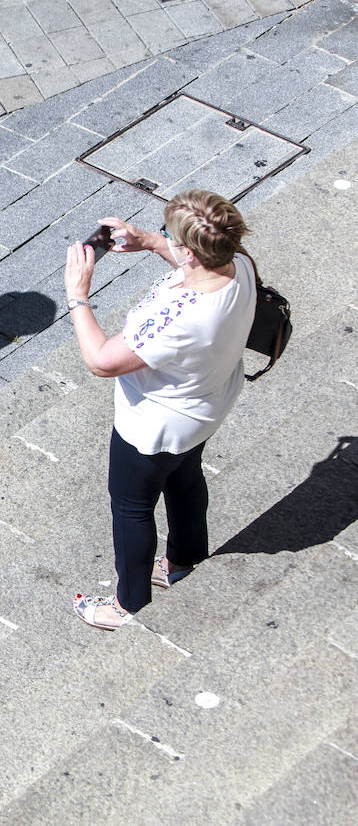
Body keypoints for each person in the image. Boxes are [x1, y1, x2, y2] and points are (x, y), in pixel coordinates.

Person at [64, 190, 257, 630]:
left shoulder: (182, 316)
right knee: (186, 479)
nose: (165, 238)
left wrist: (78, 296)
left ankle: (129, 604)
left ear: (188, 252)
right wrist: (151, 241)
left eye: (171, 235)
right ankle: (183, 561)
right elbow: (201, 268)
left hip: (154, 427)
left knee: (131, 508)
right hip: (206, 406)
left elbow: (102, 360)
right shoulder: (238, 264)